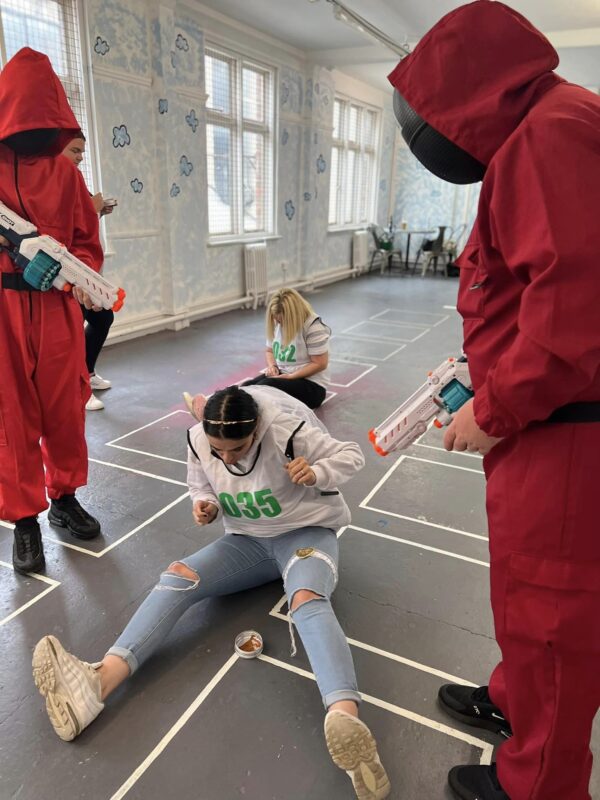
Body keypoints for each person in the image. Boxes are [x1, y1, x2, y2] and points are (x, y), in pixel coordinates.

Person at [388, 2, 600, 799]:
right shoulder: (547, 125)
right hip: (547, 423)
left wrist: (496, 406)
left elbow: (575, 310)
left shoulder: (553, 133)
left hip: (566, 432)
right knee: (525, 593)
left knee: (553, 614)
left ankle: (537, 783)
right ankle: (517, 703)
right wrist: (488, 370)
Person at [32, 385, 390, 800]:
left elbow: (352, 454)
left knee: (307, 600)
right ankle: (97, 684)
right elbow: (198, 480)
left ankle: (346, 721)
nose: (226, 457)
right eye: (218, 449)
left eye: (236, 449)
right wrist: (205, 503)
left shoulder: (288, 431)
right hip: (248, 543)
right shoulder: (201, 438)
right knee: (179, 576)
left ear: (256, 431)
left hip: (305, 534)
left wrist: (318, 472)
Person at [0, 48, 104, 575]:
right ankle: (23, 519)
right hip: (2, 310)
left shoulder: (67, 179)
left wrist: (76, 273)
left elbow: (88, 241)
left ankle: (64, 498)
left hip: (58, 307)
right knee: (12, 416)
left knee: (65, 408)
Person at [62, 131, 116, 412]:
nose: (81, 157)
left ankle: (87, 373)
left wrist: (97, 212)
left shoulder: (75, 181)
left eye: (82, 151)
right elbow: (64, 227)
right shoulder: (55, 183)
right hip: (65, 274)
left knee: (103, 316)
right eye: (75, 151)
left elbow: (83, 226)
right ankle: (78, 387)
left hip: (84, 270)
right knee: (71, 329)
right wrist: (91, 210)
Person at [242, 287, 331, 409]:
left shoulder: (313, 326)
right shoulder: (277, 323)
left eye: (282, 321)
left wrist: (290, 377)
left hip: (312, 386)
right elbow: (269, 351)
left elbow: (320, 363)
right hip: (284, 375)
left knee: (265, 386)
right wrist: (272, 366)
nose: (279, 324)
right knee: (246, 387)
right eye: (277, 321)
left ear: (293, 316)